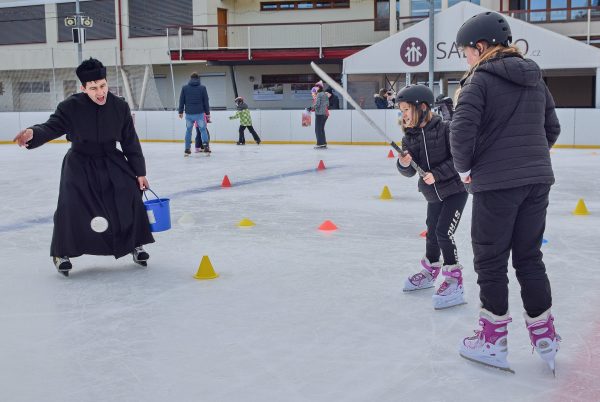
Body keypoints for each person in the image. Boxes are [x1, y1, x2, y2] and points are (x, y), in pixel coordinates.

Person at [450, 11, 561, 373]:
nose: (466, 58)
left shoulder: (478, 80)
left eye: (466, 51)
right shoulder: (534, 78)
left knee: (491, 259)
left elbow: (461, 135)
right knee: (529, 257)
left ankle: (492, 340)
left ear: (480, 47)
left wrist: (466, 171)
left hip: (497, 185)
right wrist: (529, 158)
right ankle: (544, 335)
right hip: (537, 182)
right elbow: (552, 127)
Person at [12, 57, 154, 276]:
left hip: (111, 159)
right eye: (94, 88)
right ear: (83, 88)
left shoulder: (120, 107)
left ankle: (135, 244)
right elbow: (51, 127)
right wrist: (33, 133)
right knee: (70, 204)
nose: (100, 92)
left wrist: (139, 172)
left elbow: (129, 141)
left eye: (103, 86)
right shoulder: (70, 106)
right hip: (80, 161)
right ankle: (61, 253)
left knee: (129, 194)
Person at [396, 84, 468, 310]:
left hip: (455, 190)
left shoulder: (446, 129)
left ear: (423, 108)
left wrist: (436, 174)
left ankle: (454, 278)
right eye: (401, 110)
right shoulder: (409, 137)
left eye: (407, 109)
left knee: (444, 232)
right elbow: (409, 172)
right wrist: (404, 163)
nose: (403, 115)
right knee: (432, 232)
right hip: (433, 194)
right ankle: (430, 270)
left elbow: (458, 161)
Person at [178, 72, 211, 155]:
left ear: (190, 78)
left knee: (188, 131)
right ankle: (206, 146)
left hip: (189, 114)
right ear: (198, 78)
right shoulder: (202, 88)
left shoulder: (184, 88)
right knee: (203, 130)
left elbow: (181, 100)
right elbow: (206, 101)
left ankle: (187, 148)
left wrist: (180, 111)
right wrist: (207, 113)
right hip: (200, 113)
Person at [310, 82, 329, 149]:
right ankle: (323, 143)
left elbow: (317, 104)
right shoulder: (325, 94)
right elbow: (327, 104)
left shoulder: (319, 95)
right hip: (325, 114)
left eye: (316, 86)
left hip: (320, 114)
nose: (315, 88)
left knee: (318, 129)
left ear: (319, 87)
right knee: (321, 129)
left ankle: (320, 143)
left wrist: (311, 107)